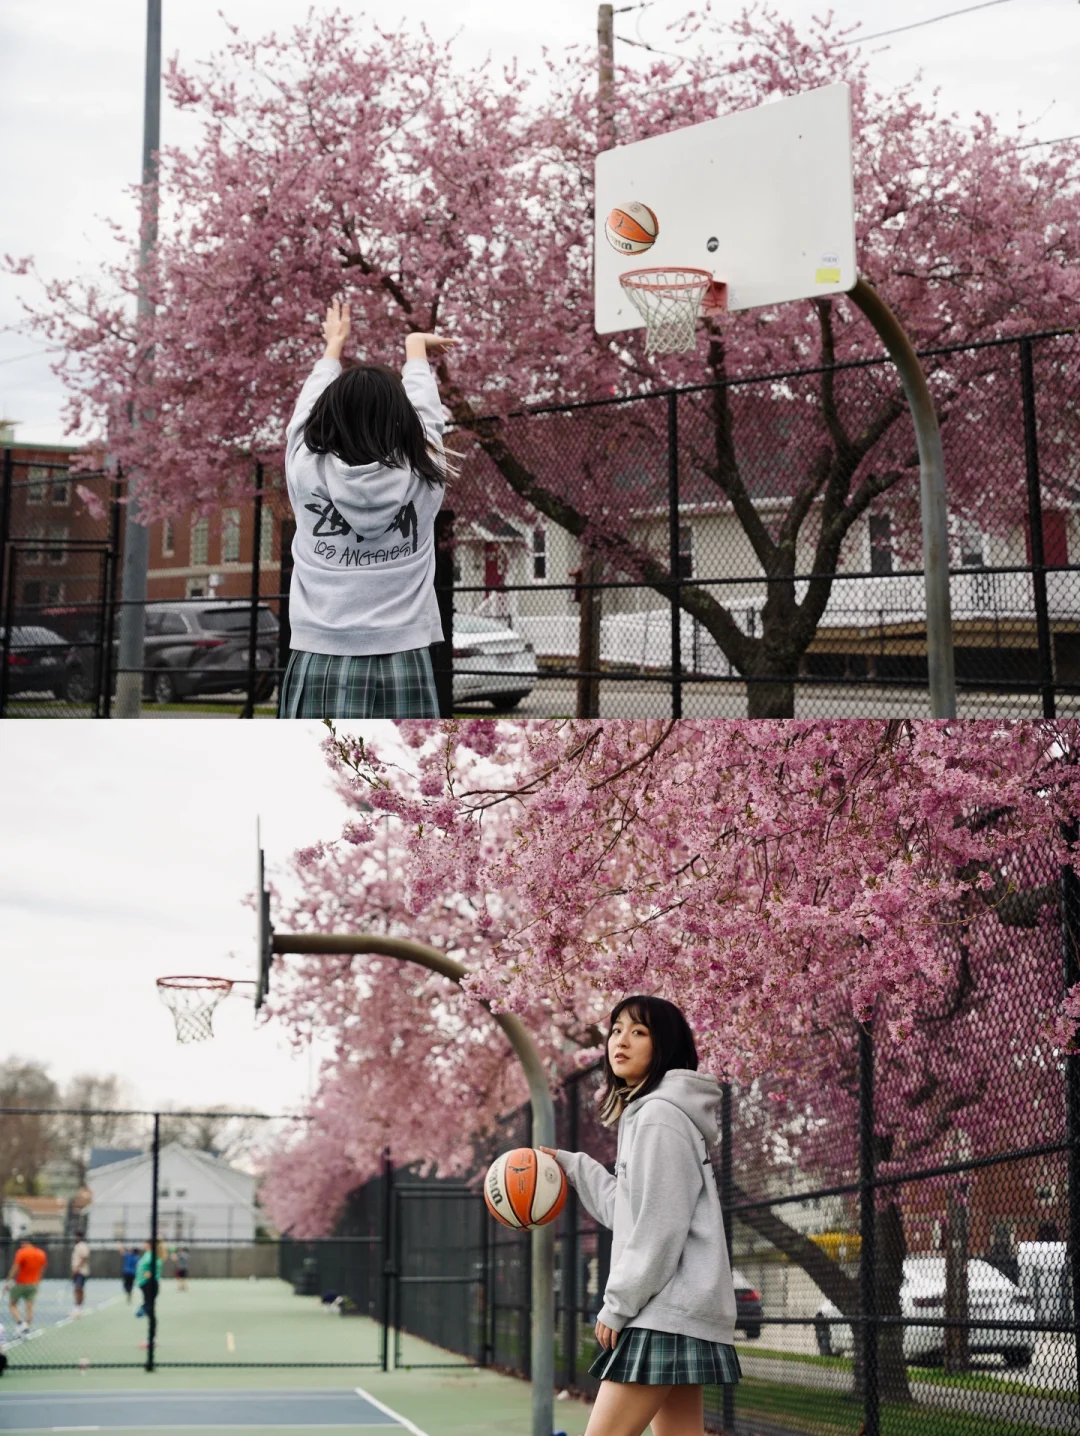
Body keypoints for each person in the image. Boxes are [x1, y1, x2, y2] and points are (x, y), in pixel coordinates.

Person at [541, 996, 740, 1436]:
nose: (621, 1041)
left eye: (639, 1032)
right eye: (616, 1031)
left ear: (663, 1045)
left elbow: (658, 1230)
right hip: (679, 1308)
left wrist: (617, 1305)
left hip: (664, 1311)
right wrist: (575, 1167)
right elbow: (629, 1212)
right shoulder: (650, 1114)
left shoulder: (658, 1118)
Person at [278, 298, 459, 719]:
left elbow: (301, 416)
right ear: (402, 420)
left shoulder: (305, 469)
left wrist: (332, 349)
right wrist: (415, 351)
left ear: (328, 416)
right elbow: (429, 416)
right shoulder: (425, 471)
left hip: (318, 656)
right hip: (404, 655)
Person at [4, 1238, 48, 1336]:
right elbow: (42, 1269)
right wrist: (38, 1281)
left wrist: (8, 1281)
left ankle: (20, 1323)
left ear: (27, 1242)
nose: (21, 1245)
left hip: (21, 1283)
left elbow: (15, 1267)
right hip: (34, 1284)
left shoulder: (22, 1252)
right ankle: (26, 1327)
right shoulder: (41, 1253)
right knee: (29, 1307)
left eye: (22, 1243)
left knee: (12, 1304)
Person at [134, 1240, 163, 1345]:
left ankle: (151, 1340)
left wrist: (149, 1274)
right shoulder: (148, 1254)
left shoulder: (152, 1255)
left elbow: (156, 1266)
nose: (144, 1244)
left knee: (151, 1312)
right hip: (145, 1285)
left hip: (149, 1285)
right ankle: (144, 1307)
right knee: (149, 1309)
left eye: (146, 1243)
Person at [70, 1232, 91, 1317]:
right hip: (77, 1270)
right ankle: (77, 1307)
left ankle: (78, 1308)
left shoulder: (82, 1245)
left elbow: (84, 1257)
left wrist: (77, 1268)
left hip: (81, 1271)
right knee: (77, 1289)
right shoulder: (77, 1246)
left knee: (78, 1289)